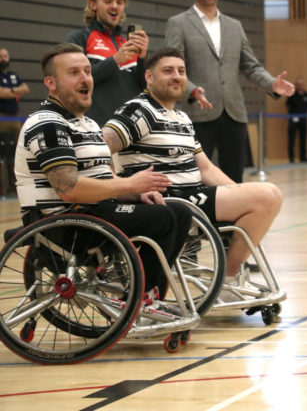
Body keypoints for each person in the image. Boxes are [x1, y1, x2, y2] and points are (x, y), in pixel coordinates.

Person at [14, 43, 191, 302]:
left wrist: (136, 195)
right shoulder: (48, 124)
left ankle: (146, 294)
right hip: (64, 224)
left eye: (87, 71)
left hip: (92, 213)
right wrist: (129, 185)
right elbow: (69, 189)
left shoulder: (89, 124)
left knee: (179, 211)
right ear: (51, 83)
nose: (85, 78)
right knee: (161, 218)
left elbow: (104, 180)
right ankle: (139, 298)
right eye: (74, 72)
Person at [103, 47, 283, 302]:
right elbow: (99, 148)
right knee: (268, 195)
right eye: (168, 71)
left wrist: (239, 193)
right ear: (149, 77)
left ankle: (231, 275)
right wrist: (122, 186)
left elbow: (205, 168)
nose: (176, 76)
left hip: (193, 195)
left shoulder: (182, 117)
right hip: (170, 200)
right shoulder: (139, 110)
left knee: (264, 197)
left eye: (181, 71)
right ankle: (228, 280)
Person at [164, 0, 295, 183]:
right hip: (197, 112)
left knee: (234, 178)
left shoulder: (235, 26)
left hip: (234, 113)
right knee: (196, 177)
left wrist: (272, 84)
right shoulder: (178, 23)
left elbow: (251, 66)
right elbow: (172, 67)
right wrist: (192, 90)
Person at [64, 0, 149, 126]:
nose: (114, 6)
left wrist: (142, 59)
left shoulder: (129, 44)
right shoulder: (79, 38)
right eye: (108, 1)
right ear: (93, 5)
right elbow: (73, 80)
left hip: (132, 128)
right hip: (94, 128)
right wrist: (114, 61)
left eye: (119, 2)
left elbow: (147, 90)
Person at [0, 47, 30, 141]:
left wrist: (10, 91)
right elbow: (1, 94)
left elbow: (26, 89)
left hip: (15, 117)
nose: (3, 59)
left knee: (20, 144)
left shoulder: (13, 75)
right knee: (4, 145)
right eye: (0, 56)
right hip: (2, 117)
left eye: (5, 56)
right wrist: (17, 92)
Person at [286, 77, 307, 163]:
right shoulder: (292, 94)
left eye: (301, 84)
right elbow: (287, 105)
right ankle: (291, 158)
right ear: (296, 85)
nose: (300, 86)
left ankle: (303, 157)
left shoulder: (306, 95)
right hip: (294, 119)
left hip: (303, 119)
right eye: (298, 84)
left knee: (303, 138)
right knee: (292, 138)